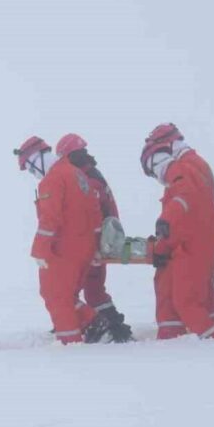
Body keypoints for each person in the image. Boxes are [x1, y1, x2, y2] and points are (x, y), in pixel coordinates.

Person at [140, 124, 214, 340]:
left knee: (187, 302)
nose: (156, 175)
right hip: (196, 242)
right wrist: (163, 245)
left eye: (153, 167)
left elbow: (183, 200)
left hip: (190, 245)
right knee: (203, 295)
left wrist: (165, 222)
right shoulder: (195, 165)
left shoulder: (181, 169)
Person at [15, 136, 101, 345]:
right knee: (67, 296)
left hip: (64, 249)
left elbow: (50, 218)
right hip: (84, 246)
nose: (32, 173)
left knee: (55, 296)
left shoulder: (53, 179)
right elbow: (95, 211)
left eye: (30, 167)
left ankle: (70, 344)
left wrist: (40, 251)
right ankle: (95, 324)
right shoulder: (76, 173)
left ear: (37, 158)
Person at [54, 134, 134, 343]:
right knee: (94, 291)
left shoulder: (88, 181)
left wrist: (93, 246)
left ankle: (113, 329)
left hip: (96, 244)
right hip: (100, 242)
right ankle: (108, 327)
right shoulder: (92, 175)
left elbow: (93, 215)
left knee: (88, 292)